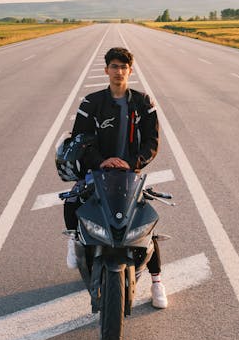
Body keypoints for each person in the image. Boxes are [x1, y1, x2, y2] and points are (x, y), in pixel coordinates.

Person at [64, 46, 168, 309]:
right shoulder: (91, 102)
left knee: (145, 223)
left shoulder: (144, 103)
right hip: (97, 171)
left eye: (124, 67)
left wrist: (131, 162)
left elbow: (152, 144)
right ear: (106, 70)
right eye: (114, 66)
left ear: (130, 71)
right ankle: (74, 239)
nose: (119, 71)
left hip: (129, 173)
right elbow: (80, 140)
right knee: (72, 202)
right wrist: (101, 161)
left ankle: (157, 282)